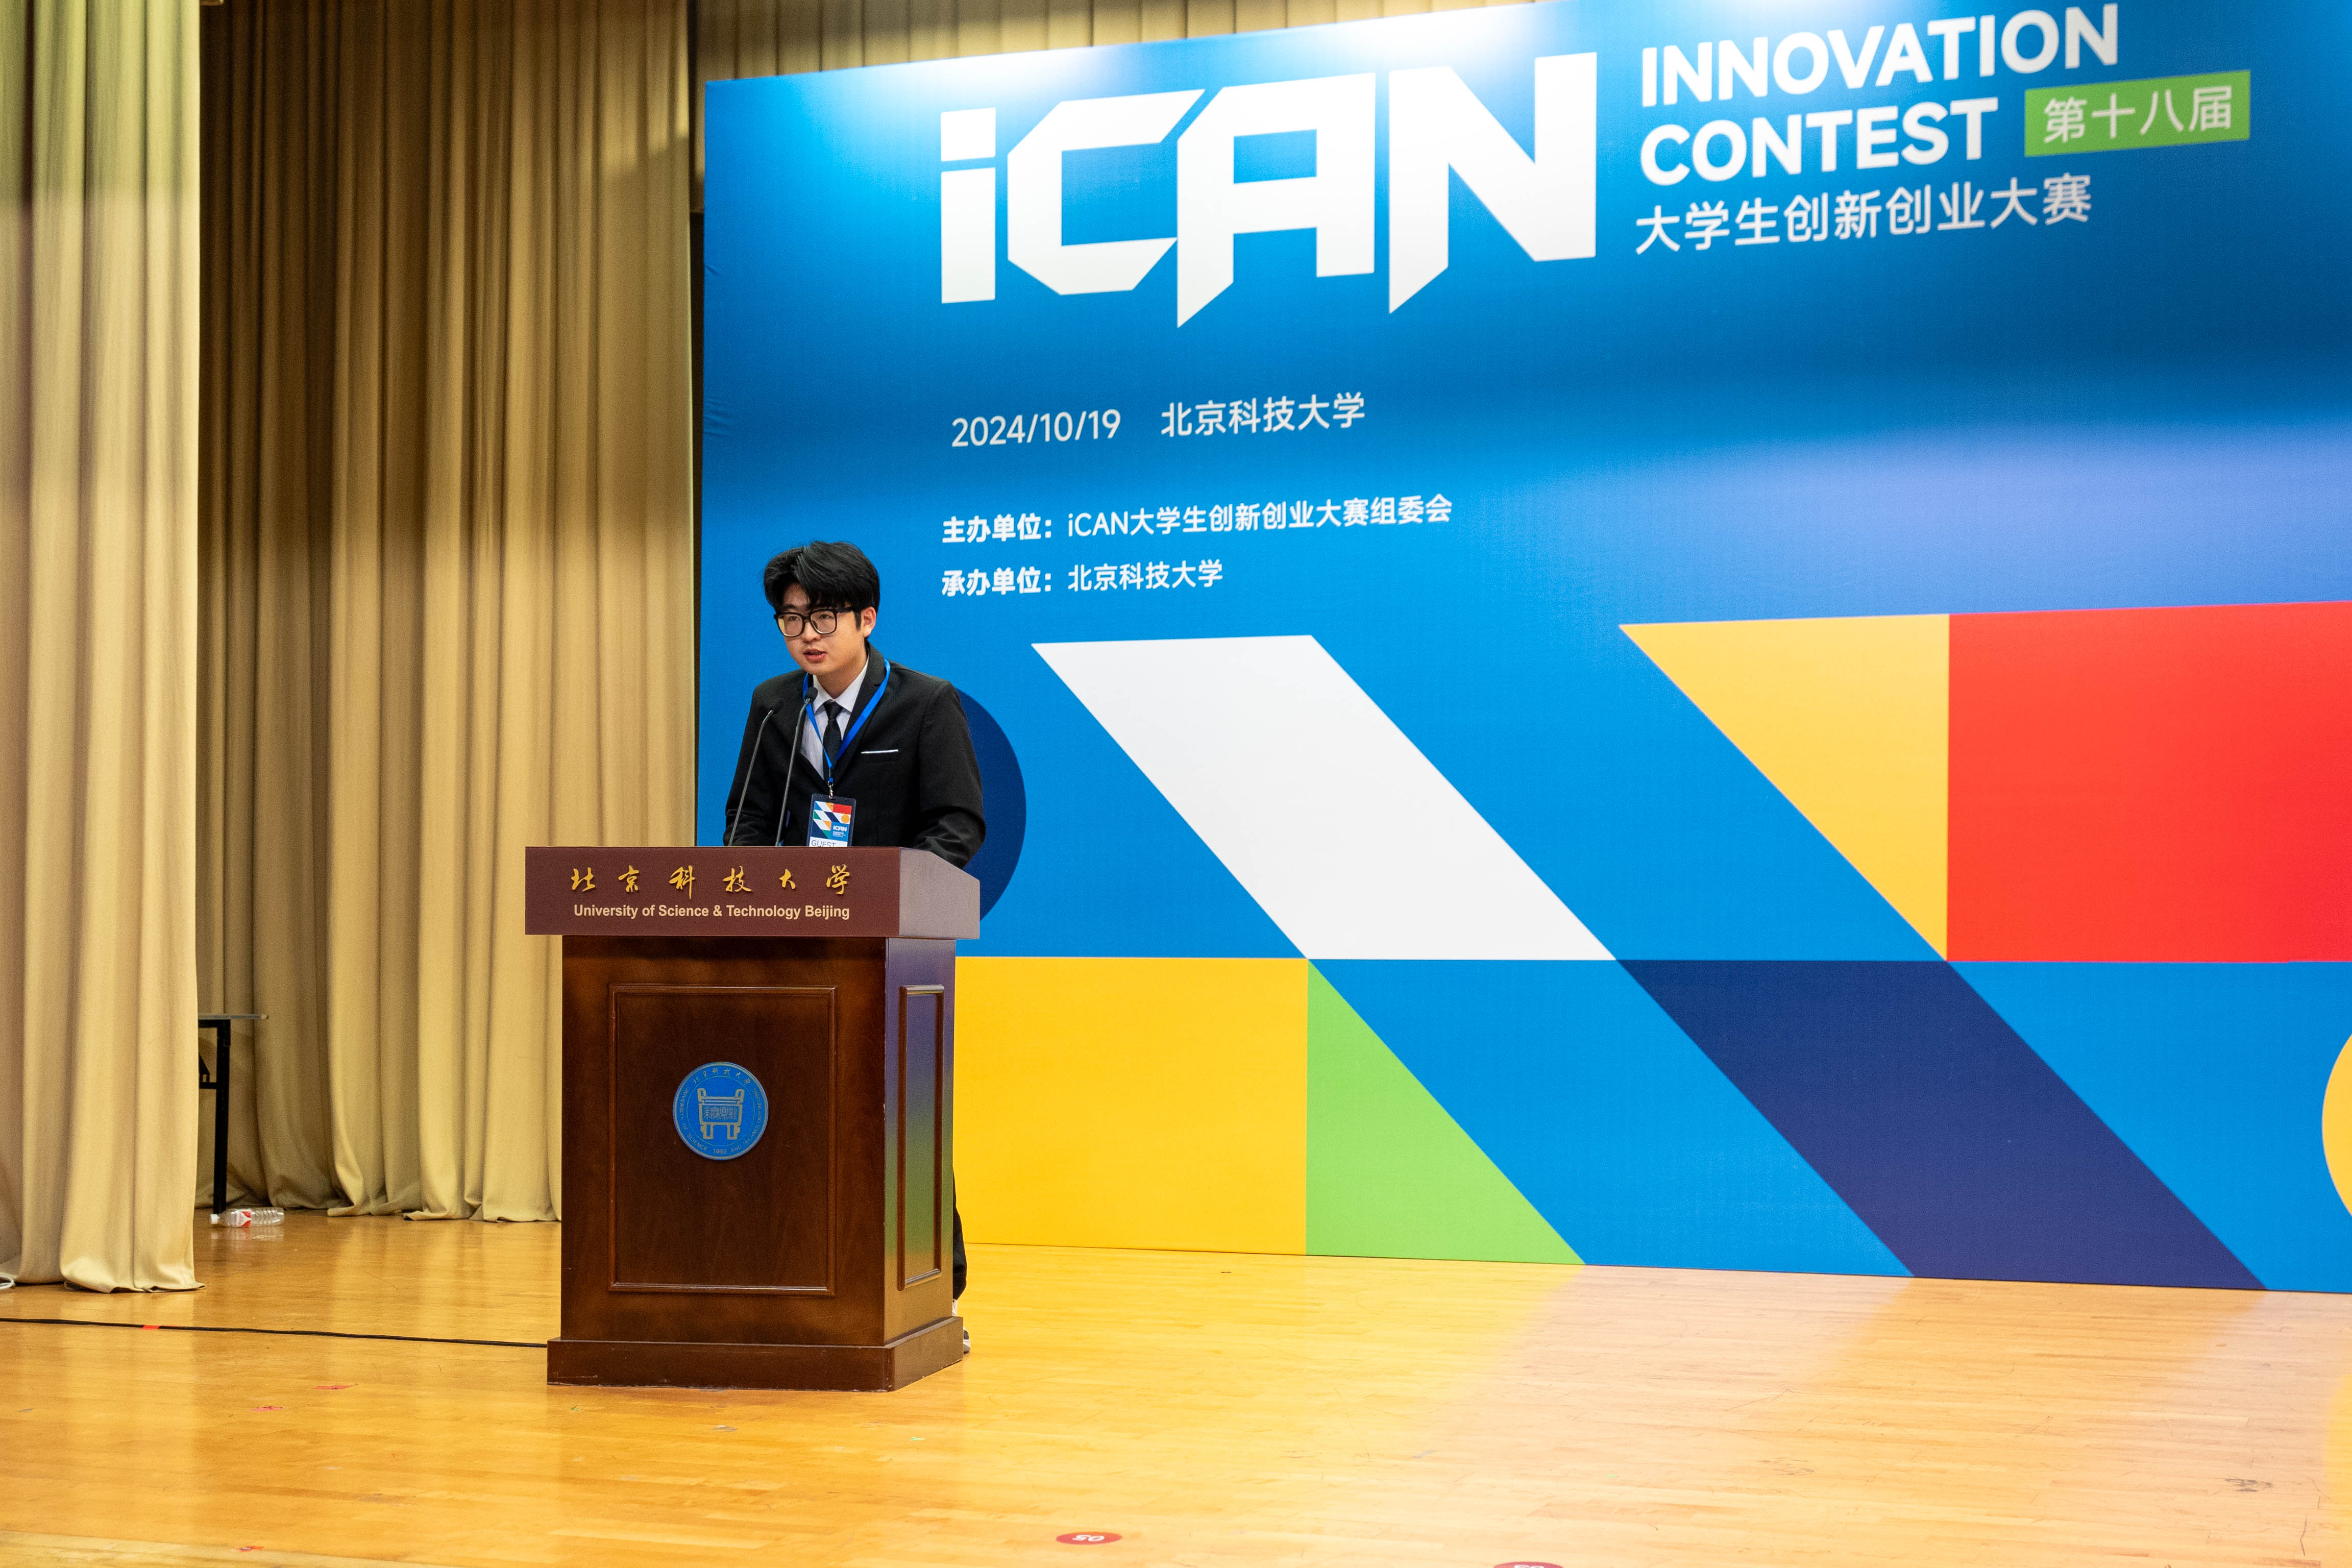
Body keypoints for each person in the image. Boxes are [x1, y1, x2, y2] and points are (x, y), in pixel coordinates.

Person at [722, 540, 981, 1307]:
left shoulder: (925, 702)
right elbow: (747, 821)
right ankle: (802, 1274)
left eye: (825, 616)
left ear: (867, 619)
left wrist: (890, 896)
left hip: (890, 952)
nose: (808, 634)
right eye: (792, 618)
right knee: (799, 1112)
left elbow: (958, 823)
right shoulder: (774, 704)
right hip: (795, 947)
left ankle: (936, 1291)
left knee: (903, 1118)